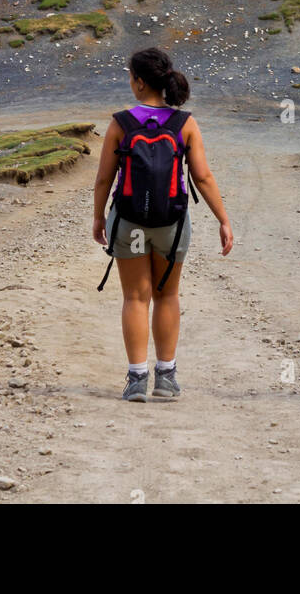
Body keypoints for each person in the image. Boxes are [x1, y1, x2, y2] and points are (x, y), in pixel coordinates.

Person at [93, 47, 234, 401]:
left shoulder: (121, 123)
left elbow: (103, 179)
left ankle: (137, 379)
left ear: (139, 83)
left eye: (130, 77)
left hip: (130, 222)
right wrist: (223, 219)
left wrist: (98, 218)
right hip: (171, 224)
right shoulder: (184, 123)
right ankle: (166, 377)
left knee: (136, 297)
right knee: (167, 294)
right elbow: (201, 176)